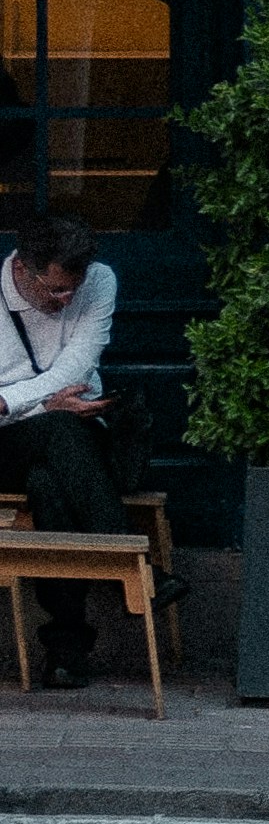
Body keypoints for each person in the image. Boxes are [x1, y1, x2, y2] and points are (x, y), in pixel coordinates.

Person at [0, 216, 124, 689]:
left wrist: (15, 398)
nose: (66, 299)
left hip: (74, 436)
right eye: (54, 291)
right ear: (23, 269)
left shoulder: (98, 280)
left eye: (72, 289)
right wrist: (38, 407)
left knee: (48, 481)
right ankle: (127, 558)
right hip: (8, 442)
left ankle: (66, 650)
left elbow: (78, 366)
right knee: (56, 429)